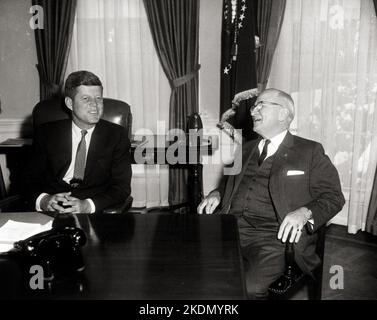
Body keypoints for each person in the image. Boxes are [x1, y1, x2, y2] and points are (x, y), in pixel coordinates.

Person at [198, 88, 345, 299]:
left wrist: (304, 213)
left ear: (283, 114)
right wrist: (216, 194)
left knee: (247, 288)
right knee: (194, 270)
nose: (252, 111)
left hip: (276, 238)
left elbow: (334, 196)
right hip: (230, 229)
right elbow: (227, 185)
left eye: (261, 105)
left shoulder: (309, 151)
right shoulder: (245, 148)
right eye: (254, 106)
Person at [23, 70, 132, 213]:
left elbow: (122, 187)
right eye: (86, 99)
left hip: (94, 211)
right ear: (70, 103)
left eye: (98, 98)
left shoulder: (117, 135)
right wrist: (44, 200)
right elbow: (27, 181)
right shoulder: (46, 133)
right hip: (52, 210)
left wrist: (88, 205)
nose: (95, 105)